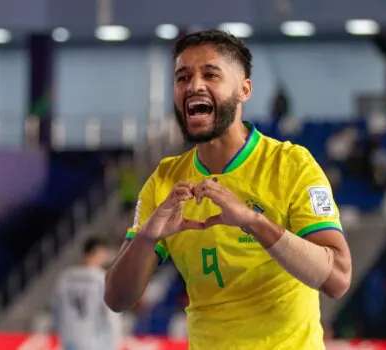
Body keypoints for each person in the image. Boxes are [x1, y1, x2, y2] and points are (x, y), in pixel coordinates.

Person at [104, 29, 352, 350]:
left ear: (244, 90)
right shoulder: (165, 180)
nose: (194, 85)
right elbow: (116, 298)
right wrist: (148, 236)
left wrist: (253, 221)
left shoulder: (290, 165)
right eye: (183, 77)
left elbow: (337, 279)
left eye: (211, 74)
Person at [53, 237, 122, 350]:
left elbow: (56, 310)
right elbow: (111, 313)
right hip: (96, 341)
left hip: (70, 340)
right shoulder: (103, 279)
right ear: (99, 254)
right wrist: (116, 341)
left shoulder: (65, 278)